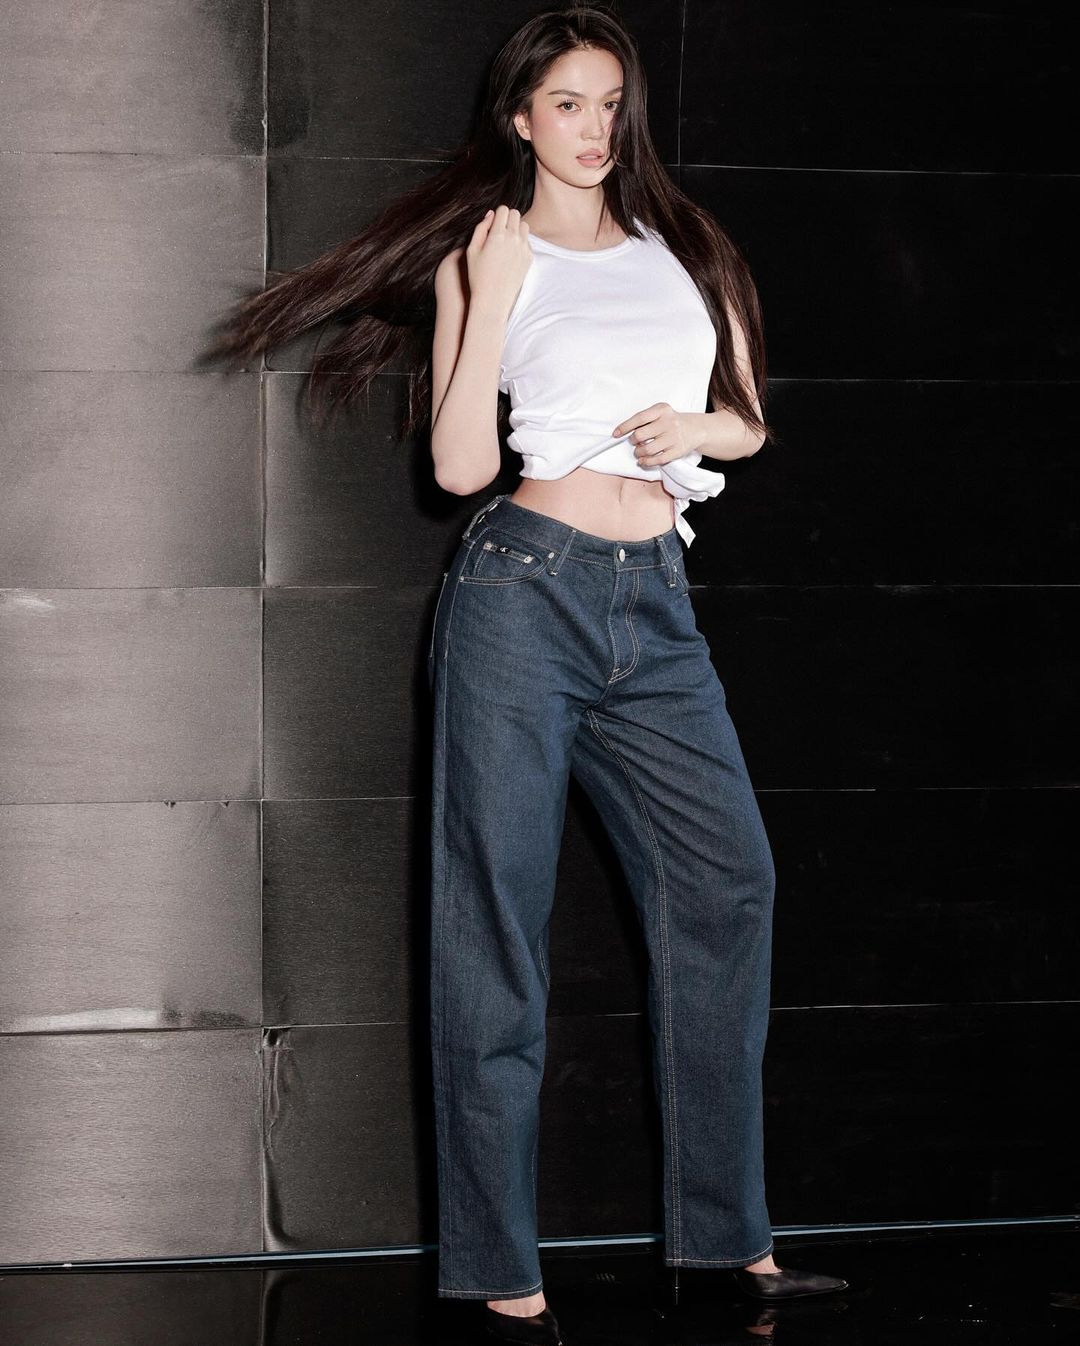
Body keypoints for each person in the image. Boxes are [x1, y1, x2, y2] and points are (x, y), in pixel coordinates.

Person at [208, 7, 848, 1343]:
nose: (596, 127)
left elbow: (747, 418)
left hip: (655, 603)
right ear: (520, 118)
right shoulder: (486, 256)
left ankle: (723, 1243)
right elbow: (456, 469)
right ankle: (500, 1273)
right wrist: (490, 299)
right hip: (523, 593)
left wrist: (701, 425)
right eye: (568, 103)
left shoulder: (688, 250)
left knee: (729, 883)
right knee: (495, 921)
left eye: (612, 103)